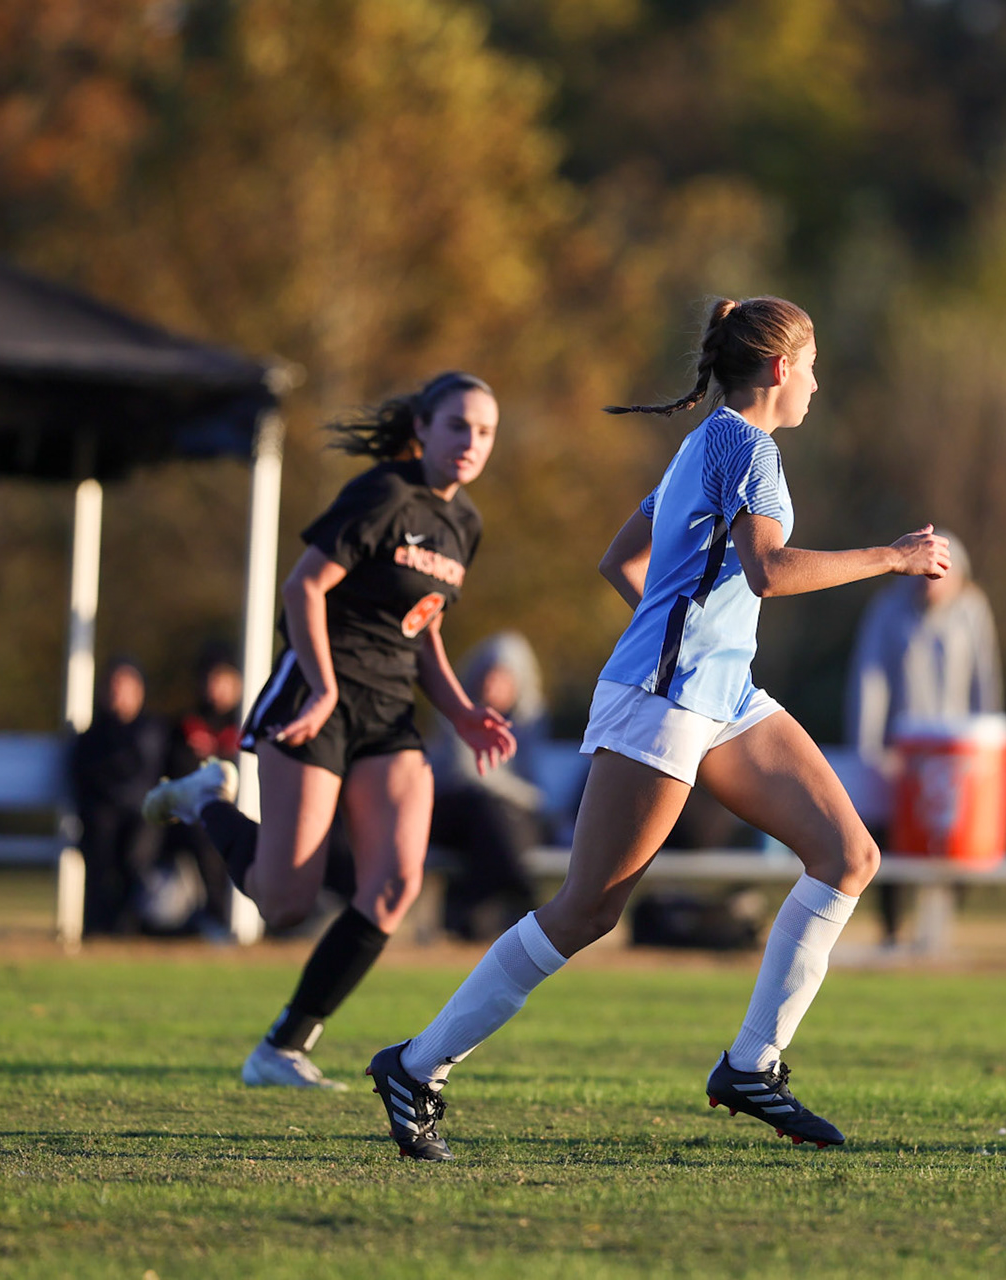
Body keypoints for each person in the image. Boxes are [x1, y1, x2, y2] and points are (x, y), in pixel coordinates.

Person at [365, 296, 950, 1160]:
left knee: (848, 856)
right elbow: (769, 573)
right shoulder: (749, 449)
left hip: (720, 693)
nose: (819, 383)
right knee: (585, 911)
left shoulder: (702, 441)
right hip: (671, 697)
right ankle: (415, 1067)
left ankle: (751, 1065)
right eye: (815, 365)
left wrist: (680, 632)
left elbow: (621, 561)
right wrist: (893, 557)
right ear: (781, 369)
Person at [142, 371, 515, 1089]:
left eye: (486, 431)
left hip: (388, 714)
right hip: (317, 699)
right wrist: (322, 686)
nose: (472, 442)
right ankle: (204, 801)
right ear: (426, 429)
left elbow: (423, 626)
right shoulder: (385, 494)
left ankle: (282, 1047)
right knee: (283, 903)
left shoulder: (463, 523)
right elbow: (302, 587)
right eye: (458, 426)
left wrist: (463, 710)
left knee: (394, 887)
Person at [844, 532, 1002, 941]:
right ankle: (892, 928)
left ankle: (938, 927)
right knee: (890, 838)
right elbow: (870, 680)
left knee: (954, 841)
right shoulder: (888, 609)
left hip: (956, 753)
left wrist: (987, 746)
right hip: (902, 750)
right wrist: (871, 751)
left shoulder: (973, 610)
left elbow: (984, 680)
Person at [427, 631, 546, 940]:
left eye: (502, 677)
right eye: (488, 675)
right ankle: (524, 900)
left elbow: (529, 782)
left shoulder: (531, 721)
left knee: (499, 819)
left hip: (499, 819)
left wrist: (523, 798)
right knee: (491, 812)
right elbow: (470, 775)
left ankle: (476, 912)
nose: (492, 684)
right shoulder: (458, 710)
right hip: (454, 810)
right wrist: (525, 798)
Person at [151, 644, 247, 934]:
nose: (216, 688)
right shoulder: (186, 726)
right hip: (192, 822)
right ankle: (216, 918)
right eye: (210, 679)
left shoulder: (247, 726)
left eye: (224, 680)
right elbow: (175, 775)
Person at [72, 657, 169, 935]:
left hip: (142, 818)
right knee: (100, 841)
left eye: (125, 687)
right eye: (113, 687)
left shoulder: (154, 732)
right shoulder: (91, 738)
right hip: (102, 819)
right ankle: (100, 928)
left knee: (135, 852)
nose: (118, 695)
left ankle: (130, 927)